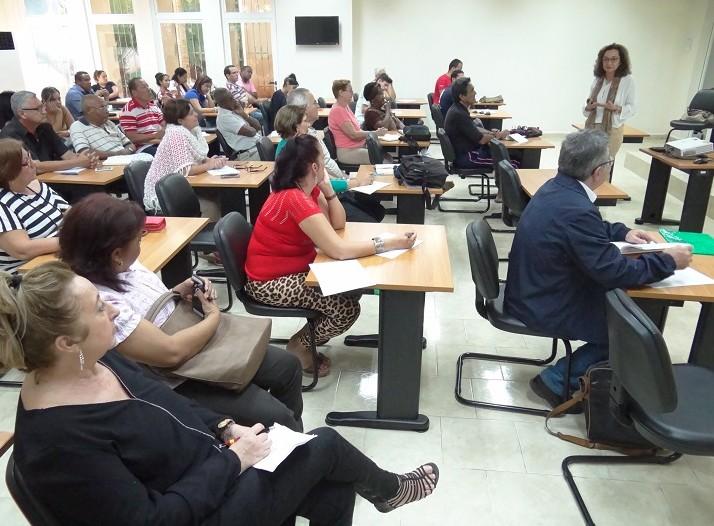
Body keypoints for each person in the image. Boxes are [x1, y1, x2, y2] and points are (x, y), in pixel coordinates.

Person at [3, 261, 438, 525]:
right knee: (322, 447)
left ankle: (385, 492)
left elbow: (168, 401)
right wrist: (235, 460)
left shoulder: (97, 360)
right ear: (65, 342)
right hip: (194, 510)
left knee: (333, 488)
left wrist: (225, 426)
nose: (114, 309)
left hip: (205, 473)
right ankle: (389, 490)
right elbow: (153, 520)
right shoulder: (59, 444)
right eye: (100, 308)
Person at [59, 193, 304, 430]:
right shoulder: (102, 302)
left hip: (194, 340)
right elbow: (171, 353)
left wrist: (177, 291)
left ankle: (296, 444)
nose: (141, 241)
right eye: (138, 238)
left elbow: (151, 304)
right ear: (116, 255)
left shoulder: (125, 268)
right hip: (179, 377)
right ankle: (288, 448)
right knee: (276, 416)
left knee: (288, 366)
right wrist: (213, 316)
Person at [504, 129, 692, 407]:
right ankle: (556, 381)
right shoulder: (576, 208)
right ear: (598, 171)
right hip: (541, 301)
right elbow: (614, 272)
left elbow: (585, 232)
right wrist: (668, 261)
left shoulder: (558, 188)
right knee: (628, 328)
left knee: (627, 314)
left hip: (532, 288)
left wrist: (622, 232)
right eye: (609, 164)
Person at [243, 135, 414, 376]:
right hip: (268, 283)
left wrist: (328, 191)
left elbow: (337, 224)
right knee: (346, 309)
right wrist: (387, 243)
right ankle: (299, 346)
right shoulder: (294, 199)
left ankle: (307, 339)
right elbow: (338, 250)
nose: (324, 164)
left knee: (350, 291)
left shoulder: (304, 191)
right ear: (314, 167)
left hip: (291, 270)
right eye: (322, 160)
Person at [287, 87, 384, 223]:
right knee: (370, 217)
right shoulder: (299, 145)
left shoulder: (311, 133)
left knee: (376, 208)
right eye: (314, 102)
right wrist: (352, 183)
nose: (318, 106)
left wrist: (347, 181)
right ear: (302, 110)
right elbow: (318, 182)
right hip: (327, 196)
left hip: (335, 187)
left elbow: (325, 171)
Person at [142, 99, 226, 214]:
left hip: (179, 187)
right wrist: (209, 165)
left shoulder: (189, 131)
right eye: (191, 113)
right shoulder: (175, 134)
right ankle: (204, 230)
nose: (196, 114)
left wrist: (210, 161)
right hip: (164, 196)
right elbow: (185, 170)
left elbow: (195, 157)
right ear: (180, 120)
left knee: (219, 195)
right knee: (211, 205)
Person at [0, 139, 69, 273]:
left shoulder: (37, 186)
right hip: (29, 278)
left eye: (30, 157)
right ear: (9, 171)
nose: (33, 164)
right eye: (26, 162)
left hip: (57, 260)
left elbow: (70, 213)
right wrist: (73, 240)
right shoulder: (3, 204)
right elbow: (23, 250)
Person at [0, 91, 98, 174]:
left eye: (43, 106)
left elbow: (67, 155)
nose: (44, 111)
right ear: (22, 113)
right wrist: (78, 162)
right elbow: (35, 166)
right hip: (33, 186)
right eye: (38, 109)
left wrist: (87, 159)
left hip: (57, 177)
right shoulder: (9, 135)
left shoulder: (45, 127)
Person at [583, 43, 636, 161]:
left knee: (602, 166)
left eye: (614, 59)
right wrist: (589, 106)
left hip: (612, 130)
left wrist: (616, 108)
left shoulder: (628, 81)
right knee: (587, 165)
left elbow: (632, 108)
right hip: (592, 128)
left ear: (621, 61)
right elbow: (587, 103)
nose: (609, 63)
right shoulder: (598, 79)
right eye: (605, 59)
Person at [444, 77, 510, 170]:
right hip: (468, 157)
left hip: (469, 153)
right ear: (462, 96)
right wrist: (498, 136)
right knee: (511, 164)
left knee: (510, 157)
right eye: (472, 91)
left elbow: (474, 128)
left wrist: (492, 133)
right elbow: (482, 139)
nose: (475, 93)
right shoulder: (459, 114)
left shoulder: (458, 109)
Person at [328, 79, 386, 165]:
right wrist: (375, 133)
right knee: (377, 157)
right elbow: (354, 135)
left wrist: (373, 133)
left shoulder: (345, 107)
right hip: (348, 152)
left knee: (380, 153)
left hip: (356, 147)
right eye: (350, 90)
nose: (352, 92)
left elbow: (357, 129)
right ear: (341, 92)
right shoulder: (338, 110)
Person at [69, 94, 136, 159]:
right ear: (89, 110)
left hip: (126, 158)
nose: (106, 110)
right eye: (102, 107)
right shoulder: (78, 127)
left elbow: (130, 144)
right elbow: (86, 153)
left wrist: (127, 152)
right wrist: (117, 154)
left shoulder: (109, 123)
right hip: (107, 164)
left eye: (106, 106)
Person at [119, 77, 165, 155]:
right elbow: (132, 138)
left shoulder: (153, 106)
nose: (148, 89)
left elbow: (165, 124)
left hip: (160, 142)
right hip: (144, 147)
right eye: (144, 87)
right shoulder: (128, 111)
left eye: (147, 86)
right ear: (134, 93)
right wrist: (156, 136)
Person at [214, 87, 261, 160]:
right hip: (247, 154)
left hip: (255, 148)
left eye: (233, 96)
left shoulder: (234, 110)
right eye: (231, 98)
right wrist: (249, 125)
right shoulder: (225, 118)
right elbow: (252, 132)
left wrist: (244, 114)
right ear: (223, 103)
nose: (235, 100)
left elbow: (258, 126)